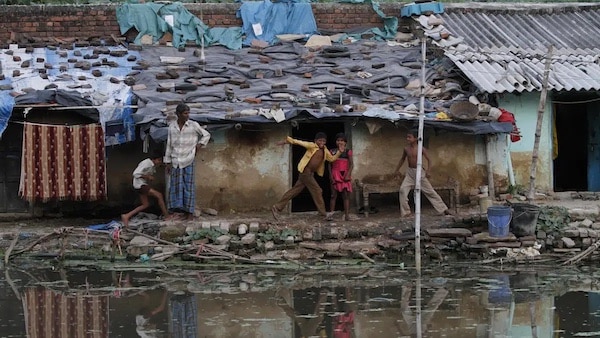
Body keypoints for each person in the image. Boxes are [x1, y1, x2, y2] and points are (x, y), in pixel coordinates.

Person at [271, 132, 342, 221]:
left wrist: (339, 152)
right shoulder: (312, 146)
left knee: (294, 191)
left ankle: (277, 207)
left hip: (309, 174)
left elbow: (331, 159)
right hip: (306, 172)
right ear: (315, 141)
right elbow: (299, 142)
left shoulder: (325, 150)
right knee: (317, 190)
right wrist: (287, 141)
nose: (322, 142)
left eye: (324, 141)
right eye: (320, 140)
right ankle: (323, 214)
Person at [164, 103, 211, 221]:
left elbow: (206, 135)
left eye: (188, 113)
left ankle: (189, 212)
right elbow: (169, 145)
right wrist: (167, 162)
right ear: (178, 114)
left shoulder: (193, 125)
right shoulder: (172, 127)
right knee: (175, 187)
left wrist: (199, 146)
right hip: (175, 160)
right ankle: (177, 212)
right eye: (185, 113)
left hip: (188, 159)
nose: (187, 115)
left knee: (188, 187)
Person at [394, 129, 452, 217]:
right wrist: (397, 170)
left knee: (430, 192)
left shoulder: (421, 148)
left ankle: (443, 209)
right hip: (410, 173)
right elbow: (402, 159)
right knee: (402, 190)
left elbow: (429, 160)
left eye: (410, 137)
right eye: (407, 137)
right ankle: (406, 212)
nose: (408, 139)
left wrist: (428, 171)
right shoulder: (406, 149)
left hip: (420, 172)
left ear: (416, 138)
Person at [121, 151, 170, 227]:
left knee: (145, 204)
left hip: (141, 184)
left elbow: (159, 166)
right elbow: (135, 173)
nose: (160, 162)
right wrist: (148, 177)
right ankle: (167, 216)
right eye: (159, 160)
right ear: (154, 159)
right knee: (159, 195)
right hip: (140, 185)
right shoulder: (146, 163)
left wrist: (166, 166)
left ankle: (126, 216)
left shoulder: (152, 164)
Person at [328, 133, 358, 221]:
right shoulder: (332, 151)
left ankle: (347, 215)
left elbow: (351, 164)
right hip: (335, 174)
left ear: (345, 143)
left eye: (342, 140)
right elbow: (329, 165)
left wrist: (348, 174)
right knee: (333, 195)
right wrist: (330, 176)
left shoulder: (348, 152)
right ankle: (331, 215)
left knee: (345, 196)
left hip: (345, 175)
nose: (340, 142)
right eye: (338, 140)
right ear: (335, 142)